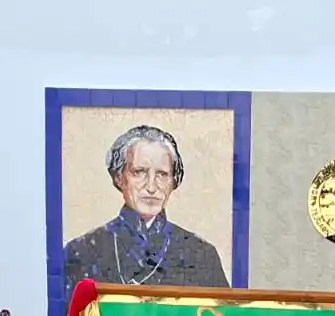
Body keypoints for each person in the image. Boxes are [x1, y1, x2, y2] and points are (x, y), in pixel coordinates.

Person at [62, 124, 229, 294]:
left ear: (173, 181)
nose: (151, 187)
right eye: (139, 172)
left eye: (162, 174)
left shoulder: (201, 254)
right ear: (119, 177)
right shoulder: (82, 252)